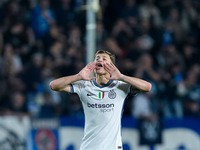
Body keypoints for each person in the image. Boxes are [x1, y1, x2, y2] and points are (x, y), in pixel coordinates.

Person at [49, 50, 152, 150]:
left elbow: (147, 87)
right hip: (88, 147)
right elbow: (53, 86)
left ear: (111, 65)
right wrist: (78, 76)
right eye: (97, 58)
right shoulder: (84, 85)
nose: (99, 60)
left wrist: (121, 76)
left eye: (104, 58)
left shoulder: (120, 86)